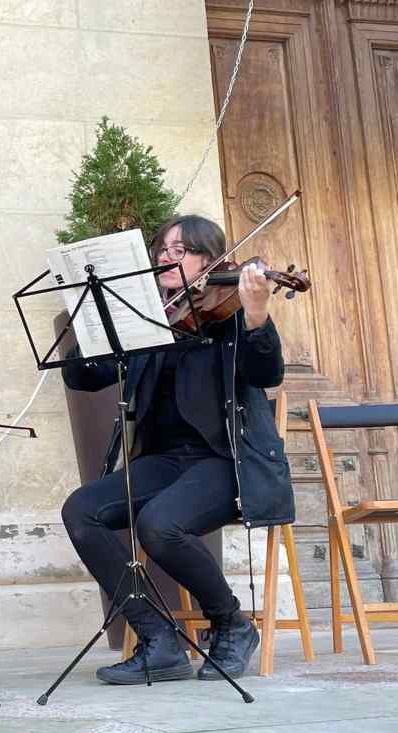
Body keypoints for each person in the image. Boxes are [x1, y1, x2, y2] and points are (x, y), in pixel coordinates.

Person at [61, 214, 294, 685]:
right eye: (162, 249)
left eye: (179, 250)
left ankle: (231, 623)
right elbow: (83, 379)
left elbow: (266, 374)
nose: (166, 257)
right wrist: (96, 324)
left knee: (160, 524)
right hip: (165, 461)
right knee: (80, 510)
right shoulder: (151, 318)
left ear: (210, 260)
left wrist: (256, 314)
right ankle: (158, 640)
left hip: (227, 459)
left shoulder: (228, 315)